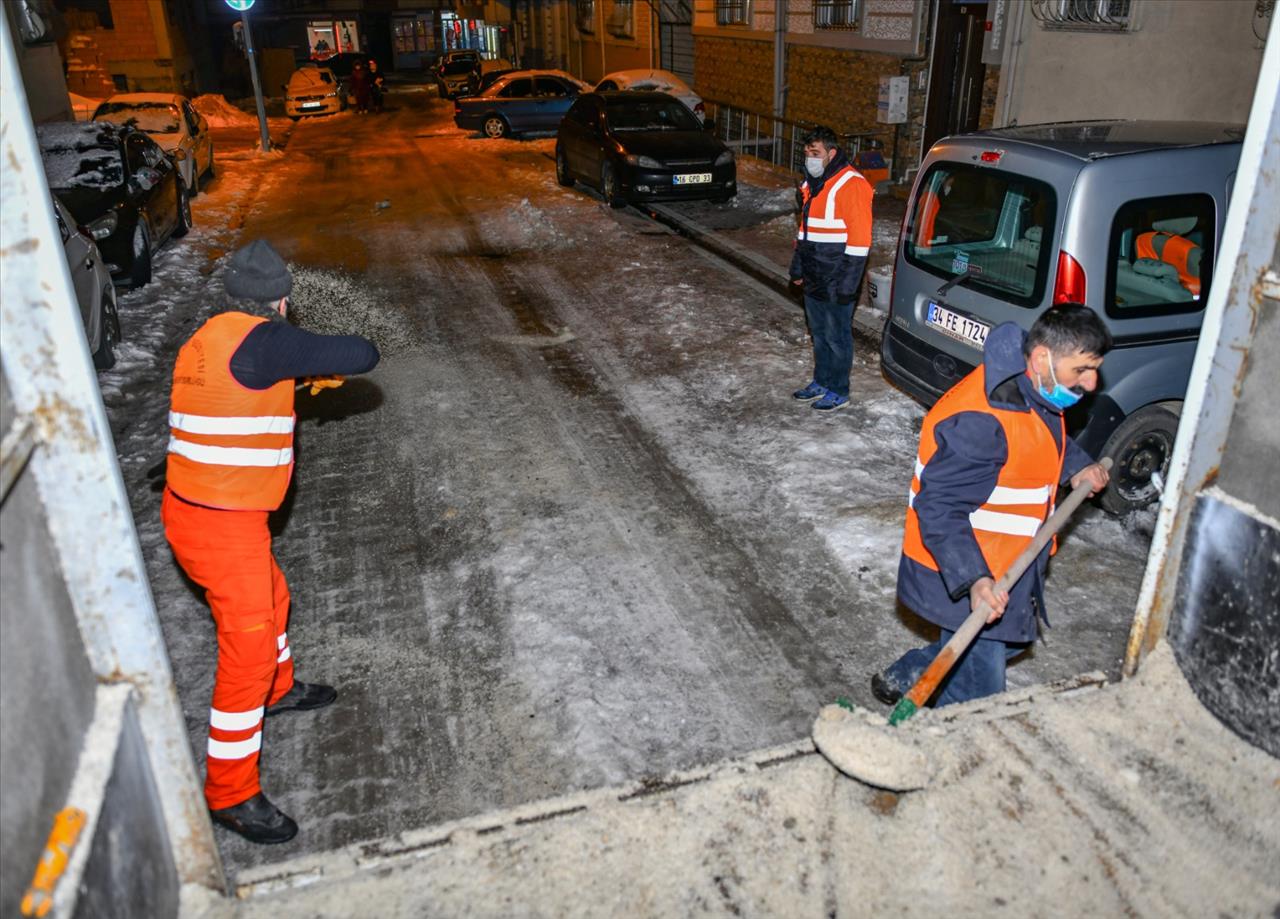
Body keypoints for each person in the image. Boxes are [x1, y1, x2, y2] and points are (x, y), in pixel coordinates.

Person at [162, 241, 380, 844]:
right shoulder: (266, 341)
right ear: (279, 301)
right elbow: (363, 352)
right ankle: (230, 792)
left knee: (273, 600)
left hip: (201, 510)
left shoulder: (208, 340)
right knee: (248, 648)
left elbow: (228, 399)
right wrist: (305, 354)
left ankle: (279, 692)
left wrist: (298, 372)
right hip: (219, 523)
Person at [870, 304, 1112, 708]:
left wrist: (1078, 467)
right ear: (1041, 359)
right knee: (975, 702)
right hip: (963, 568)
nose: (1091, 383)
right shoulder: (983, 423)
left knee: (1008, 644)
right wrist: (975, 581)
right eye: (1082, 370)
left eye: (1095, 369)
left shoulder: (1030, 387)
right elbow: (939, 507)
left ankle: (911, 673)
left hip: (1006, 561)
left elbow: (1039, 437)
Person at [789, 126, 874, 412]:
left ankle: (839, 389)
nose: (809, 158)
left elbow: (860, 241)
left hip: (838, 277)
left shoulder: (851, 184)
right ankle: (821, 381)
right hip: (814, 273)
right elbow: (806, 230)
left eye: (816, 153)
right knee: (819, 333)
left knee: (837, 337)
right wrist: (798, 268)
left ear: (832, 153)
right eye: (806, 153)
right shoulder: (813, 183)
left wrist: (847, 286)